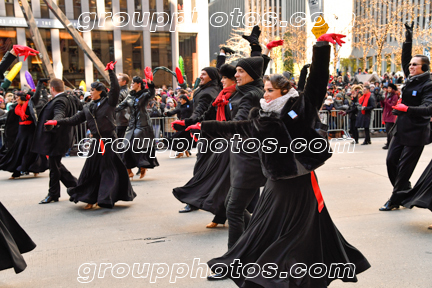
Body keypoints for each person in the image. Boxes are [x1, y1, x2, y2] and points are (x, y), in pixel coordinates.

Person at [202, 34, 370, 286]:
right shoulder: (261, 114)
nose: (265, 95)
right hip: (274, 183)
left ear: (285, 90)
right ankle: (248, 266)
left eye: (269, 91)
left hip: (299, 184)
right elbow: (240, 127)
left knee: (298, 233)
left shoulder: (301, 106)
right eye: (265, 90)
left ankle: (284, 274)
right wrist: (202, 126)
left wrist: (321, 47)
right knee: (262, 230)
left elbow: (318, 80)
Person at [44, 61, 136, 209]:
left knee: (109, 169)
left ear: (100, 91)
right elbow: (74, 119)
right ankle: (91, 198)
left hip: (109, 141)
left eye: (92, 89)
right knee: (91, 171)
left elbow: (115, 89)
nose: (90, 92)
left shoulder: (109, 103)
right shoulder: (87, 107)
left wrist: (111, 72)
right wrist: (56, 122)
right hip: (96, 143)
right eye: (90, 90)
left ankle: (105, 197)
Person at [380, 22, 432, 211]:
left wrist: (406, 109)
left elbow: (429, 108)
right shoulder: (411, 78)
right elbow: (404, 58)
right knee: (391, 161)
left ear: (424, 68)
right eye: (410, 64)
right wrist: (408, 39)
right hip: (400, 129)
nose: (409, 66)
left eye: (414, 65)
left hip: (417, 132)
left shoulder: (428, 84)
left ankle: (395, 200)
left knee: (404, 169)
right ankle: (404, 190)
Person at [32, 78, 79, 204]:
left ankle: (55, 193)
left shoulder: (61, 100)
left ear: (52, 88)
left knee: (54, 168)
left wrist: (54, 122)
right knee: (56, 166)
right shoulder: (67, 98)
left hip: (57, 139)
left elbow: (59, 114)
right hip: (59, 139)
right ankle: (77, 187)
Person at [115, 70, 159, 179]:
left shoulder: (144, 95)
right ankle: (128, 170)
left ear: (138, 84)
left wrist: (150, 82)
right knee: (124, 146)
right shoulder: (130, 96)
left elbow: (152, 93)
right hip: (131, 125)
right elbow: (119, 107)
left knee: (136, 145)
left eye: (133, 83)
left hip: (143, 125)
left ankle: (143, 166)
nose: (131, 85)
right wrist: (105, 111)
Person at [0, 83, 49, 179]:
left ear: (23, 98)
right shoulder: (15, 108)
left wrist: (40, 86)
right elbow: (7, 118)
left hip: (30, 133)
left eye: (17, 97)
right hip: (20, 134)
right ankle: (16, 171)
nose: (16, 99)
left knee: (30, 152)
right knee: (18, 152)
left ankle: (35, 169)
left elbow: (39, 97)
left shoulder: (30, 105)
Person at [381, 83, 399, 149]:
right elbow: (383, 105)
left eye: (389, 88)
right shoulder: (386, 94)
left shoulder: (395, 96)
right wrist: (381, 100)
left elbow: (392, 106)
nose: (388, 89)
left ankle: (390, 144)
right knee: (387, 130)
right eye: (388, 88)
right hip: (386, 114)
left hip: (390, 115)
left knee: (389, 131)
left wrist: (385, 101)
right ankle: (388, 143)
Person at [116, 73, 130, 139]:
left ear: (124, 82)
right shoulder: (130, 91)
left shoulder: (120, 92)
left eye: (118, 80)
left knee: (119, 143)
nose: (117, 81)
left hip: (121, 121)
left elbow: (116, 107)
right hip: (128, 120)